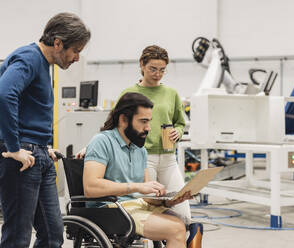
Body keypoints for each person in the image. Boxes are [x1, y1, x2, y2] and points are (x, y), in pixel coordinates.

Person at [0, 12, 91, 247]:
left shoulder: (44, 64)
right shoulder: (29, 57)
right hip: (23, 158)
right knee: (18, 237)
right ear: (58, 43)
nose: (77, 58)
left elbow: (28, 109)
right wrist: (14, 146)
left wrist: (43, 146)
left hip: (39, 154)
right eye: (76, 50)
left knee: (52, 235)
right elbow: (4, 94)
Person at [83, 92, 192, 248]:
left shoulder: (139, 149)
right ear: (123, 119)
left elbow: (146, 196)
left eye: (149, 121)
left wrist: (170, 201)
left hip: (136, 205)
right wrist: (136, 186)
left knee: (184, 223)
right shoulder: (102, 141)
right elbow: (91, 187)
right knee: (175, 229)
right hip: (109, 210)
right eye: (143, 121)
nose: (148, 128)